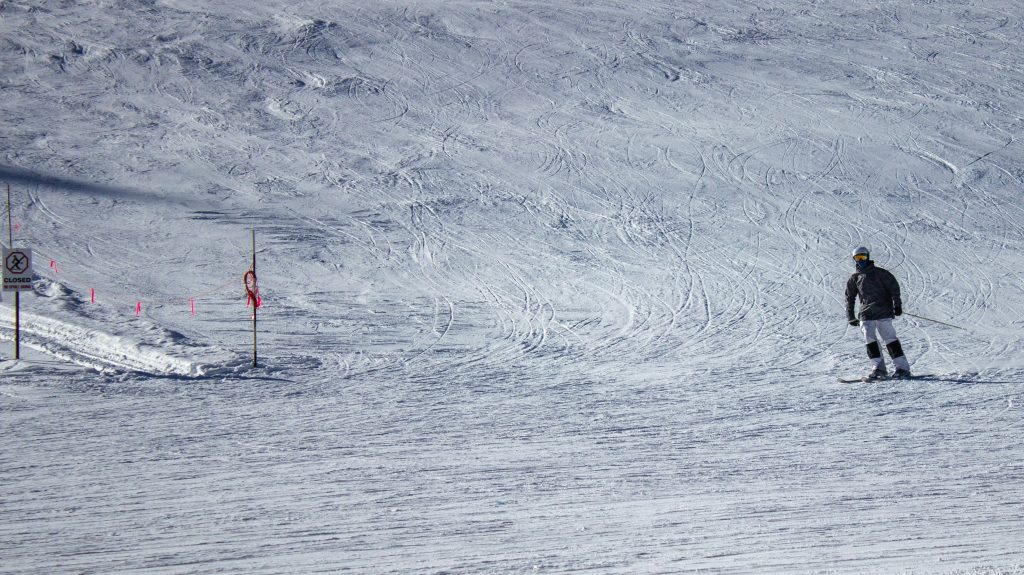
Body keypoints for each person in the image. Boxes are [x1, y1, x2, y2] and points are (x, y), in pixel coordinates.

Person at [845, 246, 912, 380]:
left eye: (863, 257)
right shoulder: (855, 278)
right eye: (858, 258)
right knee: (870, 341)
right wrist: (851, 317)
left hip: (883, 312)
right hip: (866, 314)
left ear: (868, 257)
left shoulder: (881, 273)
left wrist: (897, 305)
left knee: (890, 340)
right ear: (854, 260)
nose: (861, 260)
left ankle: (902, 368)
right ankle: (878, 368)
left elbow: (894, 288)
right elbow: (849, 298)